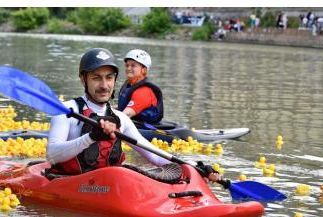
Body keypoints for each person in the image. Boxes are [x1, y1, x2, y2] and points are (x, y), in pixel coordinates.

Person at [46, 48, 220, 182]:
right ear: (83, 79)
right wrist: (91, 137)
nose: (104, 85)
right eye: (96, 78)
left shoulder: (121, 118)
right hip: (69, 181)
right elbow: (52, 155)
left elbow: (151, 154)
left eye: (109, 78)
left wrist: (194, 167)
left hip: (109, 185)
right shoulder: (66, 111)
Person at [117, 49, 164, 125]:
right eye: (127, 65)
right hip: (135, 123)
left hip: (145, 129)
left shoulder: (143, 91)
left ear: (144, 70)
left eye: (133, 65)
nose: (128, 68)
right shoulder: (129, 85)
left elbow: (125, 115)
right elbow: (122, 107)